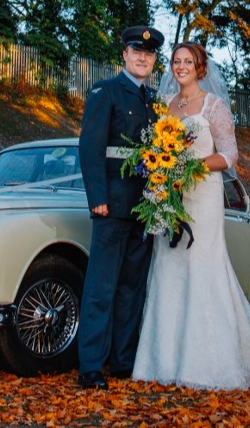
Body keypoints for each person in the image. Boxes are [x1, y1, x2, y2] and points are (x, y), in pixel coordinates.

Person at [131, 41, 250, 389]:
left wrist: (191, 165)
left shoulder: (214, 106)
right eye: (175, 61)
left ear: (200, 68)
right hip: (170, 197)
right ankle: (162, 360)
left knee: (202, 268)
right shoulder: (166, 106)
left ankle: (205, 364)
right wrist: (164, 171)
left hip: (202, 197)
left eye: (188, 61)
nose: (180, 66)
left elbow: (230, 155)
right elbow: (156, 151)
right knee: (169, 269)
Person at [76, 24, 164, 390]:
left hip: (146, 209)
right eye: (135, 51)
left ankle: (123, 361)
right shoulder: (106, 91)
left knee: (132, 289)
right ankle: (91, 366)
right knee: (101, 286)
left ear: (154, 60)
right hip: (111, 205)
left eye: (148, 54)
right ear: (124, 55)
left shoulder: (156, 101)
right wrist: (97, 197)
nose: (142, 57)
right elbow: (90, 148)